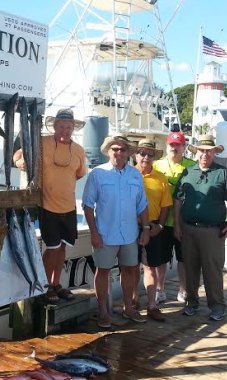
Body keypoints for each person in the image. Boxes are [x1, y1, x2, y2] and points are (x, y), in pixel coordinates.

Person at [14, 108, 86, 304]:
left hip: (69, 207)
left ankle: (56, 284)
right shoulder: (42, 142)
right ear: (55, 126)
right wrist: (21, 162)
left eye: (68, 127)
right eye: (61, 126)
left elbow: (80, 173)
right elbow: (17, 156)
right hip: (47, 206)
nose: (65, 130)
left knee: (63, 247)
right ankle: (45, 286)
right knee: (52, 248)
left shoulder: (79, 150)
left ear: (73, 128)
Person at [82, 135, 150, 328]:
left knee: (130, 270)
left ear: (128, 153)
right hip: (104, 234)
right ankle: (103, 311)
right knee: (102, 271)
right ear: (108, 151)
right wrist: (94, 233)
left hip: (129, 234)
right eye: (115, 149)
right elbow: (88, 206)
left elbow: (142, 204)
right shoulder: (97, 174)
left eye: (122, 149)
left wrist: (145, 228)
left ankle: (128, 308)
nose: (119, 152)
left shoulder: (135, 175)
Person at [174, 134, 227, 321]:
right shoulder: (187, 172)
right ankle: (191, 303)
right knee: (190, 269)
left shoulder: (222, 172)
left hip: (213, 231)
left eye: (209, 151)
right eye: (202, 150)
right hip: (188, 229)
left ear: (214, 153)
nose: (205, 154)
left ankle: (217, 307)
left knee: (213, 271)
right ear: (196, 152)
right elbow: (178, 199)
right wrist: (177, 226)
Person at [152, 132, 196, 304]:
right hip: (161, 220)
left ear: (184, 147)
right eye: (171, 145)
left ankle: (183, 290)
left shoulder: (192, 166)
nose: (174, 148)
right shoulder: (156, 165)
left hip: (183, 221)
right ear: (166, 146)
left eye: (178, 145)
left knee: (183, 258)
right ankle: (160, 290)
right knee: (161, 259)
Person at [133, 139, 173, 322]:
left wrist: (160, 226)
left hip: (153, 226)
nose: (146, 157)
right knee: (130, 267)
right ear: (135, 155)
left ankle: (152, 305)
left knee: (150, 268)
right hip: (129, 226)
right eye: (142, 153)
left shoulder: (160, 177)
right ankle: (132, 302)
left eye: (150, 154)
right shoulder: (128, 174)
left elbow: (166, 206)